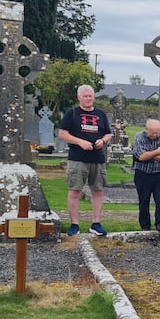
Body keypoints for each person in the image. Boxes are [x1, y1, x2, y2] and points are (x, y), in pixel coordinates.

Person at [59, 84, 112, 236]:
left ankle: (96, 223)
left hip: (97, 158)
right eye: (85, 96)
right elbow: (63, 133)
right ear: (79, 97)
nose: (88, 99)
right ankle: (74, 225)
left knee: (98, 191)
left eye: (90, 96)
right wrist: (80, 142)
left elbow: (108, 133)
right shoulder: (72, 113)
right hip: (78, 158)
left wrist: (103, 140)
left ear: (94, 97)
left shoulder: (101, 114)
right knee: (75, 191)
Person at [131, 118, 160, 232]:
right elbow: (141, 157)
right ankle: (145, 226)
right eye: (152, 132)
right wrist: (158, 151)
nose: (155, 134)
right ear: (146, 130)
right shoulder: (139, 137)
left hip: (159, 174)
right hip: (142, 174)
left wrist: (149, 154)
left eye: (157, 132)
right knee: (144, 201)